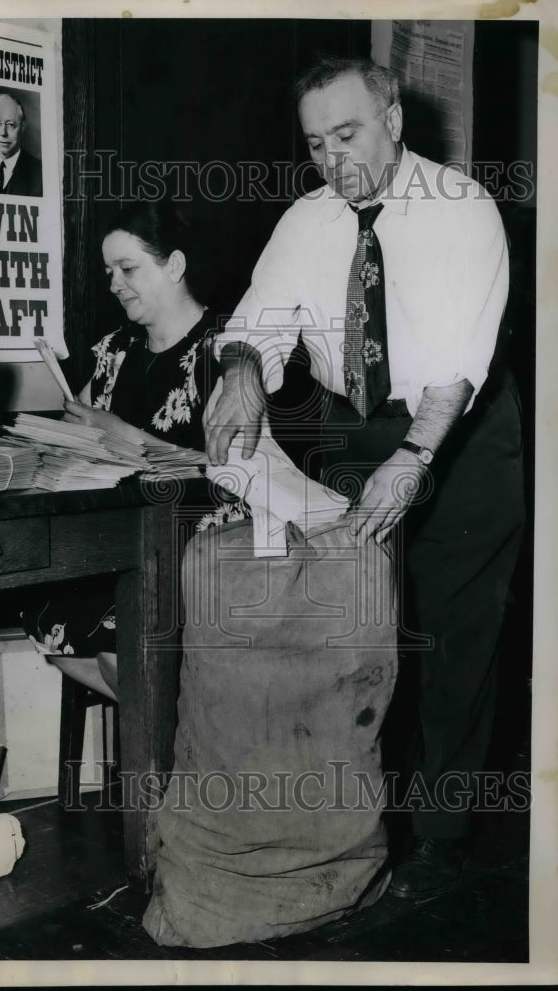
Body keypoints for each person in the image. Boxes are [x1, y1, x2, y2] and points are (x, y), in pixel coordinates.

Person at [204, 56, 525, 899]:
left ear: (392, 121)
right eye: (315, 144)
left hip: (460, 433)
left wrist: (413, 461)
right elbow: (255, 320)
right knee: (360, 632)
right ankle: (354, 829)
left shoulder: (462, 211)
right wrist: (240, 369)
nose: (332, 159)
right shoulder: (309, 219)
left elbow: (455, 368)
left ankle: (442, 843)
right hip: (360, 423)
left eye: (347, 135)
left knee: (454, 643)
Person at [21, 201, 228, 672]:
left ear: (174, 265)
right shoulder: (114, 350)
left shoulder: (225, 347)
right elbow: (77, 427)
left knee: (117, 639)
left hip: (195, 542)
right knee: (41, 609)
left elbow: (229, 466)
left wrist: (124, 435)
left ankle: (160, 728)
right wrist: (62, 439)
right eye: (109, 270)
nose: (114, 283)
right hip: (116, 538)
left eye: (128, 268)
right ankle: (165, 725)